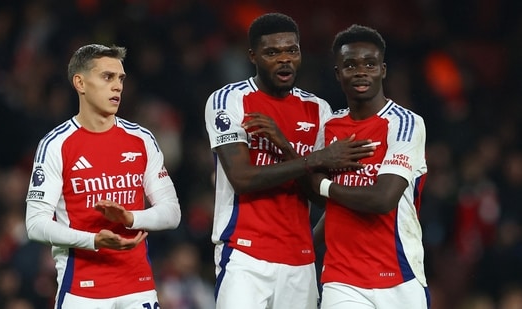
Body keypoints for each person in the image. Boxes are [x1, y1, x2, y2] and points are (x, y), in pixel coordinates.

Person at [204, 13, 374, 309]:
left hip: (300, 259)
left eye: (291, 51)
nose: (284, 59)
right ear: (253, 56)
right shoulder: (229, 100)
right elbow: (242, 179)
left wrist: (286, 147)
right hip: (244, 255)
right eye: (272, 52)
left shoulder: (318, 110)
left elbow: (317, 193)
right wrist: (315, 158)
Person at [25, 44, 181, 309]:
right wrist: (93, 241)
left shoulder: (141, 139)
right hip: (82, 290)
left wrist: (131, 218)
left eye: (120, 79)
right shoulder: (56, 144)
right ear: (80, 83)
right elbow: (35, 224)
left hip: (138, 286)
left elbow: (172, 213)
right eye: (107, 77)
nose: (118, 86)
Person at [311, 24, 430, 308]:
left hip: (399, 275)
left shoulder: (405, 123)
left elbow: (382, 199)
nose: (361, 71)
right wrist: (304, 247)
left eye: (370, 64)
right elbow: (331, 202)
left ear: (383, 70)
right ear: (338, 73)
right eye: (350, 65)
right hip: (342, 280)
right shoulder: (328, 127)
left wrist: (325, 185)